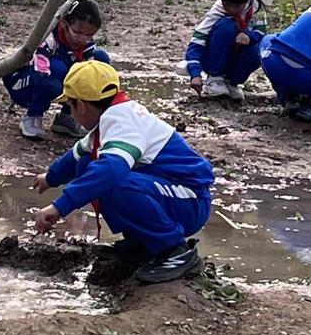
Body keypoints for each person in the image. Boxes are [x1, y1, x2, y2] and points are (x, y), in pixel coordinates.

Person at [32, 59, 214, 284]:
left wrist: (60, 207)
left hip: (190, 200)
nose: (72, 113)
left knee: (115, 183)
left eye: (70, 107)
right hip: (170, 194)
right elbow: (77, 154)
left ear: (81, 105)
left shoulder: (121, 120)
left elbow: (112, 170)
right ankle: (143, 243)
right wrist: (49, 178)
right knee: (87, 164)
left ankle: (173, 251)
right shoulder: (110, 116)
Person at [4, 0, 108, 141]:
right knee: (57, 68)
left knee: (100, 61)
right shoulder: (48, 39)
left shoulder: (86, 44)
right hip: (25, 84)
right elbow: (41, 74)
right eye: (78, 33)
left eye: (89, 35)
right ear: (65, 23)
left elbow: (91, 70)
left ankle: (67, 117)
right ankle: (33, 116)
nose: (83, 39)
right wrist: (67, 92)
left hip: (58, 85)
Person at [184, 0, 267, 100]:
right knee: (227, 26)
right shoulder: (217, 11)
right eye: (227, 5)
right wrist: (195, 73)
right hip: (213, 57)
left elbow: (261, 33)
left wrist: (249, 36)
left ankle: (232, 82)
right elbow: (197, 40)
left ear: (246, 1)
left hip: (237, 55)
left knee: (259, 50)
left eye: (237, 6)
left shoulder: (257, 8)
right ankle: (215, 78)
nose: (231, 10)